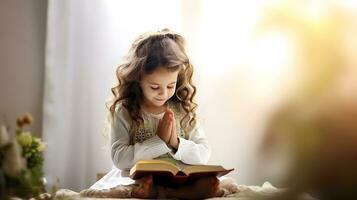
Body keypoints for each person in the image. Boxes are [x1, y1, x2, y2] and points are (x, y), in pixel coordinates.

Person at [80, 29, 231, 199]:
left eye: (170, 86)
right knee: (128, 187)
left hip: (179, 177)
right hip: (139, 178)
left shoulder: (182, 109)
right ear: (138, 79)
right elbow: (119, 158)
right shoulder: (125, 110)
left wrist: (175, 143)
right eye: (154, 87)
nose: (163, 93)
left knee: (213, 182)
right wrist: (158, 141)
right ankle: (165, 193)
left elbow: (203, 152)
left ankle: (165, 192)